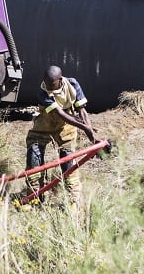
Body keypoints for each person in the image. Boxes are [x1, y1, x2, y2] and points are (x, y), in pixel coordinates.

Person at [24, 65, 96, 204]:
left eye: (52, 85)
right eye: (47, 84)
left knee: (68, 161)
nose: (49, 88)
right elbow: (60, 114)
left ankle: (74, 201)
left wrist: (90, 133)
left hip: (66, 129)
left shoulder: (72, 85)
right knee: (34, 159)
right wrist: (84, 127)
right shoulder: (42, 92)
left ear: (60, 79)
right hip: (43, 128)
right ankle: (33, 198)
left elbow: (81, 110)